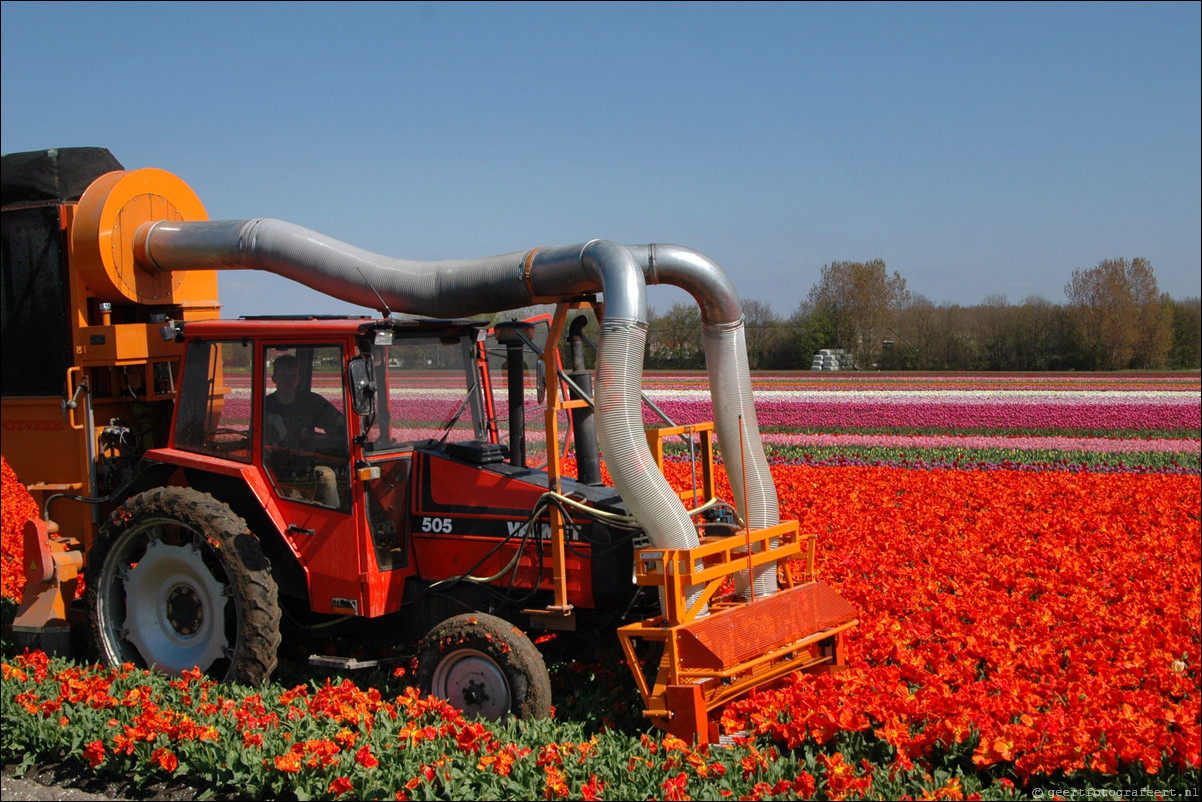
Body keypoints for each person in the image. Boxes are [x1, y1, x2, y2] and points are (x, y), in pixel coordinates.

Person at [264, 354, 347, 506]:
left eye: (293, 376)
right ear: (274, 378)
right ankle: (336, 518)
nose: (289, 381)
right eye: (284, 376)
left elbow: (337, 422)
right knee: (327, 476)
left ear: (299, 377)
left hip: (308, 460)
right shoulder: (266, 407)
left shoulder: (310, 401)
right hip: (281, 467)